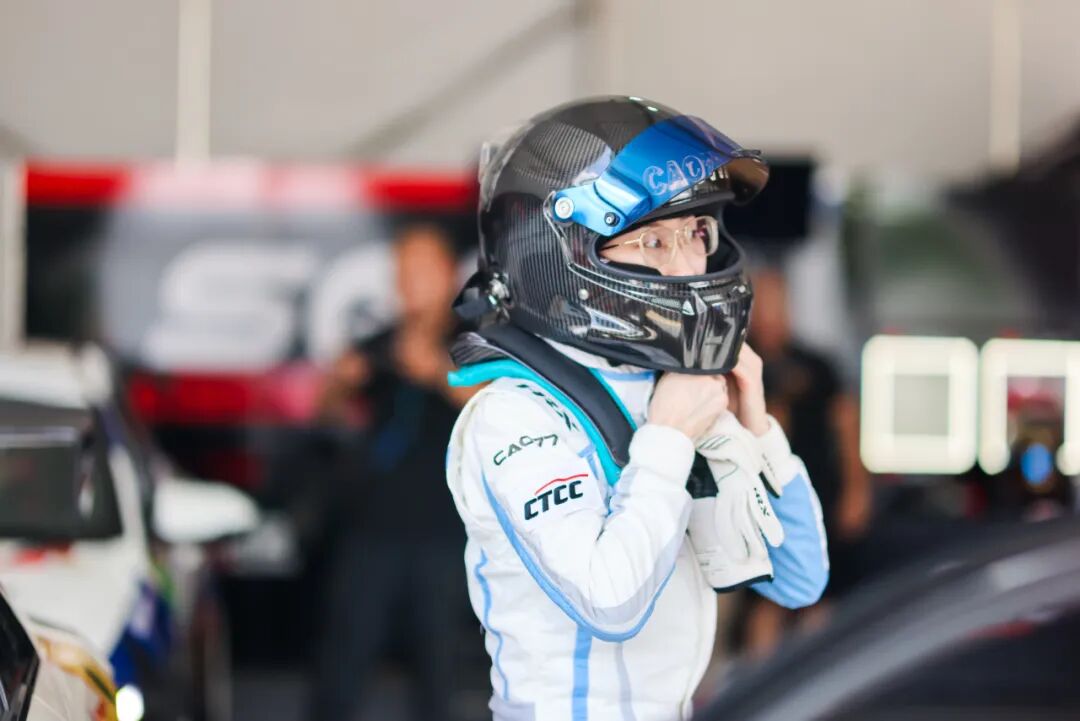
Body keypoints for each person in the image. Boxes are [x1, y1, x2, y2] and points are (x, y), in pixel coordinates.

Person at [444, 97, 829, 720]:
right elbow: (609, 604)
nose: (687, 265)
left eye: (696, 232)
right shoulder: (515, 416)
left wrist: (757, 429)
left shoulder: (671, 388)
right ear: (562, 258)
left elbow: (798, 580)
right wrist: (668, 441)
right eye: (652, 240)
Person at [308, 225, 476, 721]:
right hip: (373, 528)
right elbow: (325, 412)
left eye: (419, 270)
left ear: (447, 274)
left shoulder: (474, 339)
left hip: (444, 534)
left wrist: (436, 372)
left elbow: (491, 404)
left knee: (438, 670)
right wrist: (339, 385)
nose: (408, 282)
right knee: (342, 663)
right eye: (402, 272)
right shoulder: (378, 341)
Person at [741, 267, 871, 656]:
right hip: (758, 497)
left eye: (776, 306)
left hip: (817, 492)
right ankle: (764, 683)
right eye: (762, 307)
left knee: (819, 594)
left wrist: (857, 488)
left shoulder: (816, 366)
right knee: (764, 599)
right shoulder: (740, 362)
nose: (770, 316)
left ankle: (820, 678)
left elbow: (847, 424)